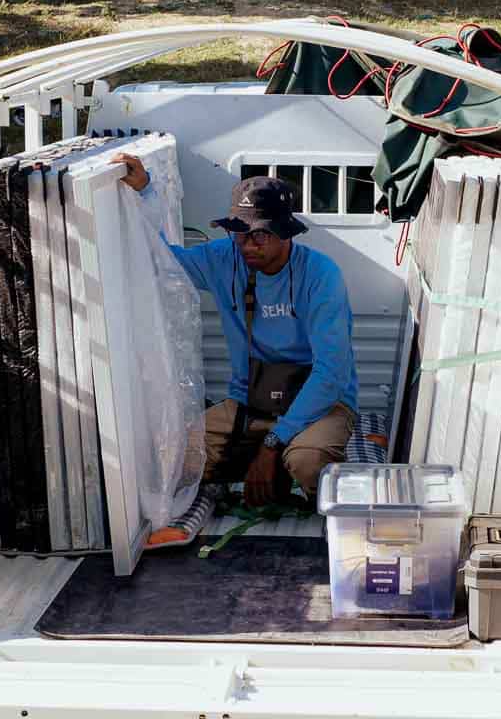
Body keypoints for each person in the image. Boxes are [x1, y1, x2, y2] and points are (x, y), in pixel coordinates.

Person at [117, 155, 358, 508]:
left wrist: (272, 445)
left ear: (285, 232)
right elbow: (161, 261)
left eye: (260, 234)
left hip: (320, 404)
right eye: (239, 232)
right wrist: (146, 192)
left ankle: (294, 478)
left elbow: (331, 373)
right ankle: (259, 471)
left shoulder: (321, 275)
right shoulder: (222, 257)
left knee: (307, 463)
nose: (248, 245)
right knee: (174, 459)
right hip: (251, 401)